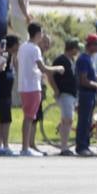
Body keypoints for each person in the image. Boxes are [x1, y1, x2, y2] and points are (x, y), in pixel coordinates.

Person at [17, 23, 63, 157]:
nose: (42, 36)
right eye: (41, 33)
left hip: (23, 86)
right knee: (29, 118)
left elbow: (17, 62)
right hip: (32, 86)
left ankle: (26, 146)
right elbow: (43, 68)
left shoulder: (23, 47)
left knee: (28, 117)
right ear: (37, 34)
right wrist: (58, 68)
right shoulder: (35, 48)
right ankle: (25, 148)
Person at [48, 39, 80, 155]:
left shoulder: (72, 61)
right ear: (72, 48)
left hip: (72, 94)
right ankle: (64, 147)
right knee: (67, 119)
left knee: (68, 120)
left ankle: (65, 145)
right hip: (64, 93)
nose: (78, 51)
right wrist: (55, 89)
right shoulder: (61, 60)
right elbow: (50, 75)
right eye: (77, 48)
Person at [75, 35, 97, 156]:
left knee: (88, 122)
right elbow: (83, 80)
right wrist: (96, 85)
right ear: (90, 45)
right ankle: (81, 146)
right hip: (85, 94)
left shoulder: (89, 59)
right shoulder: (83, 59)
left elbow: (92, 75)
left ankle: (86, 145)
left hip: (91, 94)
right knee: (84, 121)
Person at [0, 36, 19, 156]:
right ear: (12, 45)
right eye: (17, 44)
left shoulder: (12, 57)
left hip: (7, 92)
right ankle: (4, 145)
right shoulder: (5, 55)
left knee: (3, 120)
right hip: (3, 92)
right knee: (6, 120)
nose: (18, 47)